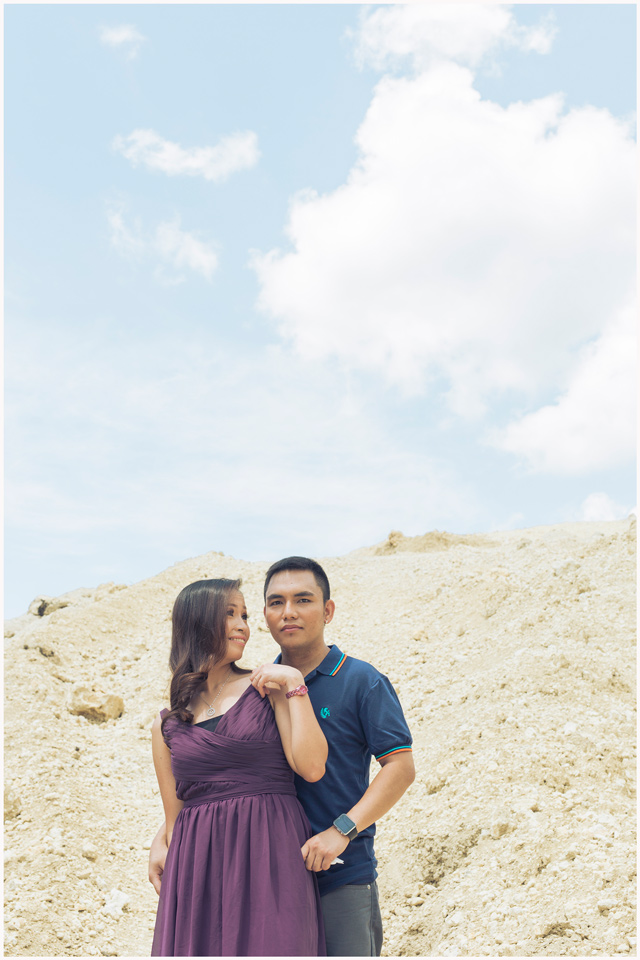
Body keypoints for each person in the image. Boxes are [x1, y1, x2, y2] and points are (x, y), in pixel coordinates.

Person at [150, 558, 415, 957]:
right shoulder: (261, 684)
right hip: (243, 869)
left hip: (337, 868)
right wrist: (166, 834)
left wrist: (341, 830)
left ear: (327, 610)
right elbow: (217, 774)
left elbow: (400, 768)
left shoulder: (359, 680)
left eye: (303, 600)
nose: (287, 612)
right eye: (275, 603)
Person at [150, 577, 328, 957]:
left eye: (245, 615)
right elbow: (173, 817)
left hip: (270, 852)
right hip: (199, 866)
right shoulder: (166, 725)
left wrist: (296, 684)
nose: (243, 625)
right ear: (197, 623)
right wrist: (158, 846)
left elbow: (312, 767)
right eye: (229, 614)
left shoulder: (268, 687)